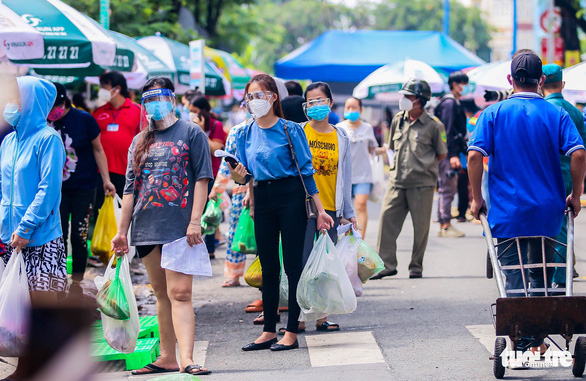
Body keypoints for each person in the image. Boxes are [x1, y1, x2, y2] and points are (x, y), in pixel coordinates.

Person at [468, 51, 586, 354]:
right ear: (542, 80)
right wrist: (576, 193)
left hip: (508, 213)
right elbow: (578, 153)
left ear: (510, 79)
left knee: (514, 276)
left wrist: (476, 198)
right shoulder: (556, 113)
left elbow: (474, 155)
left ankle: (524, 338)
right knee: (541, 272)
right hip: (548, 212)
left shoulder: (493, 114)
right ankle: (538, 337)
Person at [111, 77, 213, 376]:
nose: (154, 104)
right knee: (161, 294)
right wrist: (121, 231)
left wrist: (195, 221)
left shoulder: (191, 132)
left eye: (160, 97)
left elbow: (202, 178)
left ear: (171, 99)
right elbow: (130, 189)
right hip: (146, 226)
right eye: (148, 99)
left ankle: (187, 358)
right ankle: (167, 357)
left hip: (180, 227)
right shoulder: (139, 140)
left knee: (180, 293)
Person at [230, 74, 334, 352]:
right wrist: (237, 176)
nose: (254, 101)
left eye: (259, 95)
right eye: (250, 96)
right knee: (269, 267)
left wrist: (321, 211)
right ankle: (268, 331)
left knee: (292, 266)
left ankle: (291, 331)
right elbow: (244, 177)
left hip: (290, 197)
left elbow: (306, 172)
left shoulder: (290, 129)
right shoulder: (243, 133)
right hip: (262, 198)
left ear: (273, 97)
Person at [0, 76, 67, 381]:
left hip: (38, 238)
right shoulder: (10, 140)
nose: (9, 105)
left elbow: (48, 189)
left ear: (31, 101)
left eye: (16, 98)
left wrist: (26, 227)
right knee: (16, 313)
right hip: (10, 238)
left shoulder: (47, 139)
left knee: (40, 310)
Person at [290, 81, 356, 334]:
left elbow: (346, 175)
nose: (316, 105)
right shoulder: (298, 131)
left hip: (331, 208)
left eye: (320, 100)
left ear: (330, 102)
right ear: (305, 106)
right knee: (301, 263)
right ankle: (297, 317)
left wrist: (348, 212)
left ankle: (321, 316)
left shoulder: (341, 136)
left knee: (326, 266)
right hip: (302, 208)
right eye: (311, 102)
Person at [373, 79, 448, 280]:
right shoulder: (398, 119)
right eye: (403, 96)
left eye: (409, 96)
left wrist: (424, 166)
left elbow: (441, 154)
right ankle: (386, 264)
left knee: (421, 227)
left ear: (421, 100)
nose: (404, 100)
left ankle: (416, 266)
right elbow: (391, 146)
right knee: (386, 221)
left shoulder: (434, 125)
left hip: (422, 184)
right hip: (397, 181)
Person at [48, 83, 116, 294]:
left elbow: (98, 149)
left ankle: (77, 282)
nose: (53, 111)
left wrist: (106, 180)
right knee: (57, 235)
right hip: (55, 190)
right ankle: (58, 280)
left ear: (64, 102)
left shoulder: (84, 119)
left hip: (84, 187)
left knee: (79, 235)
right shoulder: (46, 121)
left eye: (55, 106)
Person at [541, 63, 586, 290]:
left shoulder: (539, 110)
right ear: (563, 84)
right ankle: (560, 275)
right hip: (568, 177)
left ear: (540, 82)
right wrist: (577, 190)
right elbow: (582, 151)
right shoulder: (575, 112)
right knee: (562, 226)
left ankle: (555, 276)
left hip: (541, 177)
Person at [209, 101, 251, 287]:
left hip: (262, 189)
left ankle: (264, 279)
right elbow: (228, 164)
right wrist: (216, 190)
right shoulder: (237, 131)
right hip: (241, 189)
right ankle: (233, 275)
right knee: (235, 231)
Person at [92, 71, 141, 208]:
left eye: (104, 87)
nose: (101, 91)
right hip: (101, 173)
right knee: (101, 213)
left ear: (117, 88)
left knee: (124, 212)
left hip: (127, 171)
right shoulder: (98, 112)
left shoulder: (138, 110)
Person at [188, 93, 227, 258]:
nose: (192, 114)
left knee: (209, 213)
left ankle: (210, 249)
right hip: (195, 173)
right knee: (196, 211)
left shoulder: (216, 125)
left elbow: (216, 149)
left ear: (203, 110)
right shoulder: (189, 125)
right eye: (189, 110)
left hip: (213, 174)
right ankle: (196, 247)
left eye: (195, 110)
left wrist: (201, 131)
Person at [337, 97, 382, 237]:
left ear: (361, 110)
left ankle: (359, 241)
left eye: (354, 107)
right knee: (344, 212)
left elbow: (372, 149)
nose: (351, 110)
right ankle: (346, 239)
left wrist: (386, 150)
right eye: (348, 107)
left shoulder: (367, 128)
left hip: (363, 174)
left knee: (360, 205)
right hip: (344, 176)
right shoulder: (339, 128)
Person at [434, 71, 469, 238]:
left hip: (447, 152)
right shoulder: (449, 104)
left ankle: (444, 222)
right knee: (448, 187)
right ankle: (446, 224)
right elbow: (446, 131)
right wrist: (452, 154)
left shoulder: (451, 102)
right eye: (464, 83)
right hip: (447, 153)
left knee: (446, 187)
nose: (465, 88)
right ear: (455, 84)